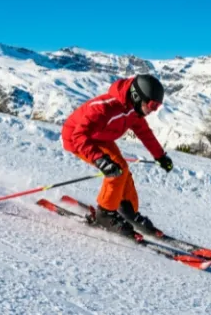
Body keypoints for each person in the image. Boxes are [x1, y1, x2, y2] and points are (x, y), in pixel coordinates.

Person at [61, 74, 174, 238]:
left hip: (101, 137)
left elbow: (144, 133)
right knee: (116, 169)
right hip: (78, 138)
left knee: (123, 169)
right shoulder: (105, 108)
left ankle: (125, 209)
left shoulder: (134, 111)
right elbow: (79, 136)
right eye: (151, 105)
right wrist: (99, 159)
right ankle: (105, 214)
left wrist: (160, 156)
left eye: (157, 106)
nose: (153, 110)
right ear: (136, 96)